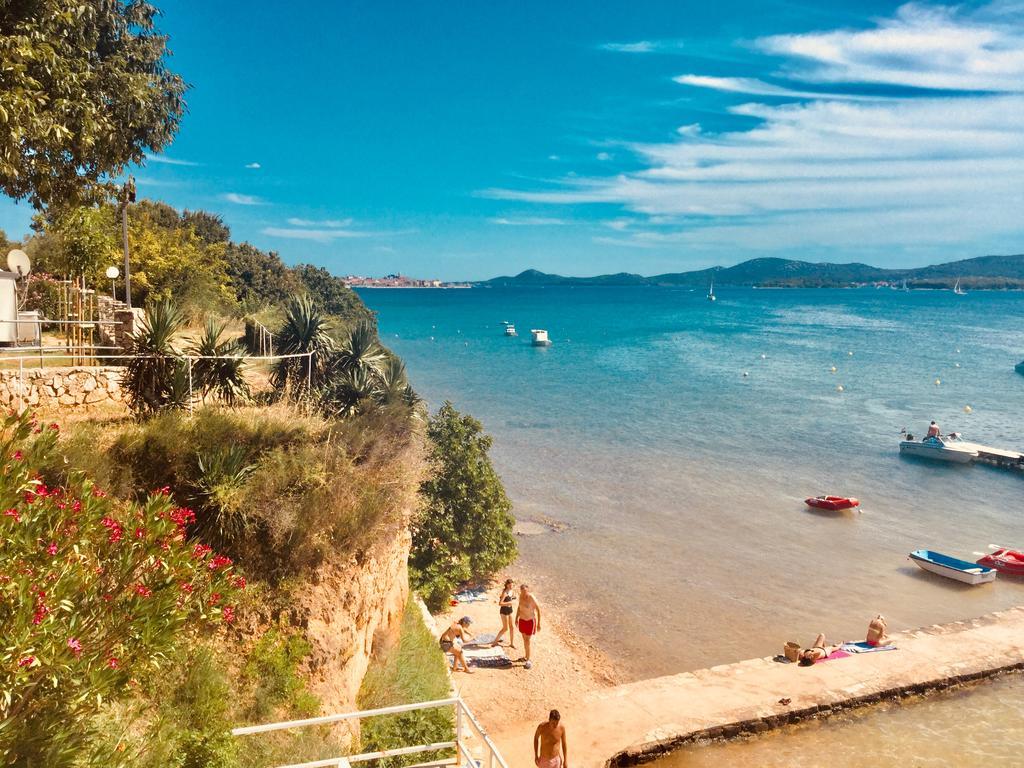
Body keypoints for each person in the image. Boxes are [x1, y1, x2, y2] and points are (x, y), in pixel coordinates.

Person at [515, 584, 541, 669]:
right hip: (522, 621)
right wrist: (516, 618)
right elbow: (519, 608)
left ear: (528, 590)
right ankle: (526, 656)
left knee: (527, 640)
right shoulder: (520, 596)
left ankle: (528, 660)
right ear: (520, 591)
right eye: (522, 591)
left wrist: (539, 624)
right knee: (524, 639)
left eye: (525, 591)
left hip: (530, 621)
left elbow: (538, 610)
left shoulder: (531, 597)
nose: (524, 593)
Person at [491, 578, 517, 648]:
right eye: (510, 585)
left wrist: (513, 599)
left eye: (512, 585)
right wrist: (509, 603)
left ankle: (512, 644)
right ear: (507, 585)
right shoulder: (505, 593)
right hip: (504, 612)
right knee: (505, 628)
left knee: (512, 627)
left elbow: (512, 598)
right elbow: (500, 603)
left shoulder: (512, 591)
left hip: (510, 610)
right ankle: (495, 642)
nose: (511, 586)